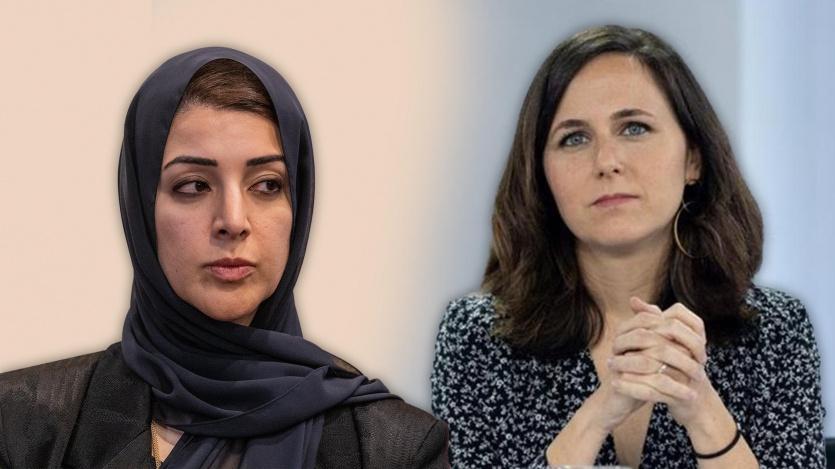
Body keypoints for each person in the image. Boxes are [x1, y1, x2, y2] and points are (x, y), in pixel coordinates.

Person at [0, 47, 447, 469]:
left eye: (267, 185)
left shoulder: (393, 448)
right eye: (194, 185)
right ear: (141, 207)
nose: (233, 221)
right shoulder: (21, 425)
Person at [431, 25, 825, 469]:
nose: (606, 162)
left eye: (634, 128)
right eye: (574, 138)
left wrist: (701, 408)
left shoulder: (774, 331)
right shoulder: (477, 337)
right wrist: (598, 414)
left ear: (693, 159)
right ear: (541, 176)